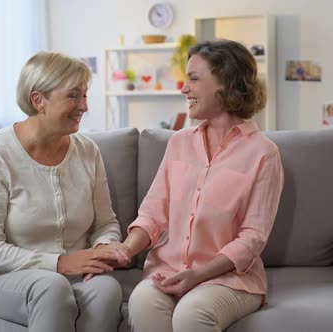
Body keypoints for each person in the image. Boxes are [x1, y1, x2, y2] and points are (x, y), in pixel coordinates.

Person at [122, 40, 284, 332]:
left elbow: (252, 237)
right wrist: (125, 250)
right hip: (167, 271)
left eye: (194, 78)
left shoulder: (263, 153)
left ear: (226, 82)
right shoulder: (179, 143)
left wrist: (198, 275)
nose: (184, 88)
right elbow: (153, 212)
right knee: (142, 302)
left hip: (229, 279)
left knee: (191, 314)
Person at [0, 51, 129, 332]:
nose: (83, 106)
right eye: (73, 96)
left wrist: (101, 251)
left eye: (85, 96)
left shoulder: (88, 151)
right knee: (50, 286)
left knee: (105, 290)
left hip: (74, 275)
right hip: (3, 277)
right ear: (38, 100)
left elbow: (106, 222)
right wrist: (60, 263)